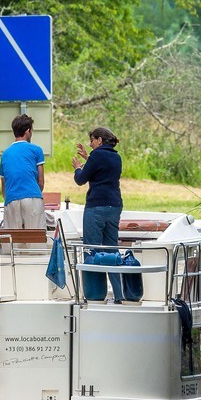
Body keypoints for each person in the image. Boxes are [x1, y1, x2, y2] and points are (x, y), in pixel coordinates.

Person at [73, 126, 124, 300]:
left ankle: (94, 294)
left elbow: (81, 179)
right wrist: (88, 158)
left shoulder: (97, 156)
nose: (90, 144)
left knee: (92, 250)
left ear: (99, 140)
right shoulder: (116, 157)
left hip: (96, 206)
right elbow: (102, 170)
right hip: (114, 206)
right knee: (112, 250)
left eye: (92, 140)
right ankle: (119, 294)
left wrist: (78, 168)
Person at [0, 114, 46, 229]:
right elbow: (40, 181)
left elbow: (3, 185)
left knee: (13, 238)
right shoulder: (36, 150)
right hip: (32, 197)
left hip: (11, 199)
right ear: (28, 131)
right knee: (35, 237)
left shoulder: (5, 154)